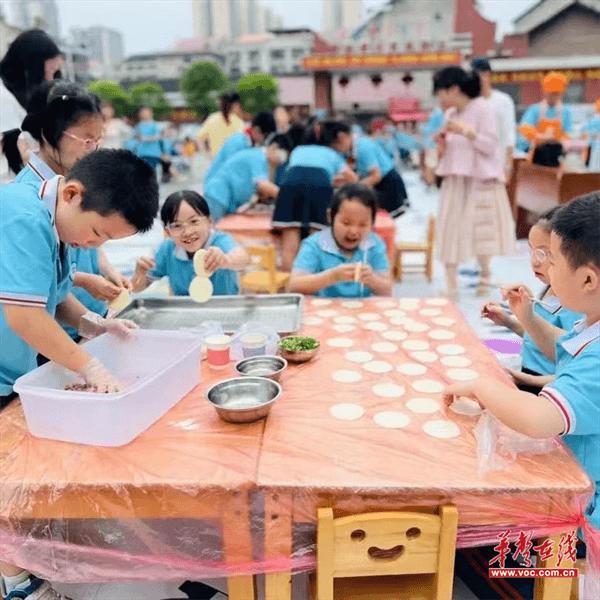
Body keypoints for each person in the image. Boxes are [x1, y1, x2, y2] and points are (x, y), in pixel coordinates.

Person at [0, 149, 159, 600]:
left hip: (11, 368)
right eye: (96, 233)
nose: (94, 246)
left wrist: (93, 323)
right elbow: (26, 316)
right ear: (72, 192)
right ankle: (17, 583)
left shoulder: (56, 217)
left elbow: (54, 293)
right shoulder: (21, 215)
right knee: (5, 481)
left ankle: (30, 565)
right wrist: (90, 365)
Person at [445, 192, 600, 539]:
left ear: (588, 280)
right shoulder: (590, 325)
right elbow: (563, 351)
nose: (545, 268)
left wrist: (481, 387)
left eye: (554, 261)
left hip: (584, 516)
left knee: (477, 544)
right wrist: (527, 317)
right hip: (575, 478)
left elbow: (536, 420)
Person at [433, 66, 516, 297]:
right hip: (455, 178)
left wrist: (466, 132)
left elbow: (490, 146)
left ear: (453, 89)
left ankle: (485, 276)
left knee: (482, 231)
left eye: (440, 91)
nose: (439, 97)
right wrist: (442, 142)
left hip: (481, 179)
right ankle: (451, 285)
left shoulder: (483, 109)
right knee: (450, 229)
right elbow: (450, 148)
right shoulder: (449, 115)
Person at [481, 208, 581, 394]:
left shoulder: (574, 304)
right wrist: (509, 321)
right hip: (528, 373)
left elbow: (569, 352)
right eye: (532, 252)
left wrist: (533, 381)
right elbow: (537, 336)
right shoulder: (548, 288)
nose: (534, 262)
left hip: (548, 387)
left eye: (544, 254)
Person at [272, 121, 358, 271]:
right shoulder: (333, 154)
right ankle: (314, 282)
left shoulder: (298, 150)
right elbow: (352, 178)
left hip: (290, 187)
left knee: (290, 242)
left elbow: (291, 173)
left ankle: (289, 286)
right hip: (320, 188)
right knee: (317, 240)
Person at [132, 190, 249, 296]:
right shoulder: (167, 250)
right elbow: (136, 288)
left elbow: (244, 259)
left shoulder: (219, 241)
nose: (187, 232)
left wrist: (225, 260)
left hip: (224, 311)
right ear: (168, 231)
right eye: (177, 226)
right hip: (185, 313)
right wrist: (140, 275)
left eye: (194, 221)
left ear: (209, 221)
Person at [288, 183, 392, 298]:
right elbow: (294, 286)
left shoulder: (374, 245)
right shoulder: (314, 245)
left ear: (372, 223)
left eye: (363, 224)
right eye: (346, 223)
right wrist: (332, 277)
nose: (353, 231)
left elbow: (387, 290)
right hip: (323, 311)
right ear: (330, 216)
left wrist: (372, 279)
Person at [0, 29, 63, 181]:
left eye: (54, 73)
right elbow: (14, 152)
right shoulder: (3, 97)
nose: (50, 79)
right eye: (48, 71)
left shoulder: (23, 95)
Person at [203, 134, 291, 222]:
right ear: (274, 147)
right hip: (218, 195)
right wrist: (287, 196)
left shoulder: (263, 162)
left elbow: (262, 192)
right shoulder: (258, 157)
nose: (281, 161)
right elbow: (263, 185)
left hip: (226, 199)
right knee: (212, 230)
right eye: (282, 156)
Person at [333, 125, 409, 218]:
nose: (337, 149)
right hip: (378, 183)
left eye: (336, 145)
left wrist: (354, 188)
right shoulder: (351, 150)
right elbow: (350, 168)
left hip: (387, 184)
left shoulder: (363, 147)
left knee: (382, 221)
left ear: (342, 137)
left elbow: (376, 176)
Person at [471, 57, 517, 180]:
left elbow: (509, 133)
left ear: (489, 75)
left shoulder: (503, 101)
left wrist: (508, 163)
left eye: (484, 74)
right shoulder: (470, 103)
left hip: (498, 162)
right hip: (475, 166)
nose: (481, 78)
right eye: (477, 75)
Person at [203, 111, 277, 185]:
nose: (266, 141)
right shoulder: (237, 142)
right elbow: (231, 171)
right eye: (266, 136)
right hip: (217, 186)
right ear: (256, 130)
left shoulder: (252, 144)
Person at [517, 72, 573, 166]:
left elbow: (568, 134)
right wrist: (540, 137)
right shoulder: (535, 110)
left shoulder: (565, 112)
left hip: (556, 155)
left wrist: (558, 139)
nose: (553, 97)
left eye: (556, 94)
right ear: (545, 92)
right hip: (537, 155)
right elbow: (524, 129)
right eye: (551, 94)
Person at [196, 92, 244, 156]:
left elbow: (199, 138)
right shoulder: (238, 122)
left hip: (217, 161)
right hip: (234, 160)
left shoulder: (212, 119)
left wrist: (206, 155)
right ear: (235, 105)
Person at [134, 106, 162, 170]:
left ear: (151, 114)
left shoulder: (154, 125)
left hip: (152, 154)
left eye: (146, 113)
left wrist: (144, 138)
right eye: (142, 113)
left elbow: (157, 137)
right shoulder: (138, 125)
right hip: (140, 154)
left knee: (149, 171)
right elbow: (135, 137)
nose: (144, 114)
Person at [582, 98, 600, 172]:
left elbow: (583, 131)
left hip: (591, 147)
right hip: (593, 147)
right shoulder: (595, 119)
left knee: (591, 168)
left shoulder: (592, 119)